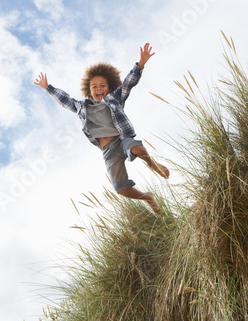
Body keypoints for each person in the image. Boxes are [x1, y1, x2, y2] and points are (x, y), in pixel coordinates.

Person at [34, 43, 169, 214]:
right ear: (89, 91)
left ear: (110, 88)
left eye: (102, 86)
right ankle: (148, 197)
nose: (99, 89)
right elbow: (65, 100)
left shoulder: (115, 98)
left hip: (121, 139)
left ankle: (152, 164)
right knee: (121, 189)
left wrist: (140, 64)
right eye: (94, 87)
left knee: (137, 148)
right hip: (107, 151)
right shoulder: (82, 107)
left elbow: (128, 83)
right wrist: (48, 87)